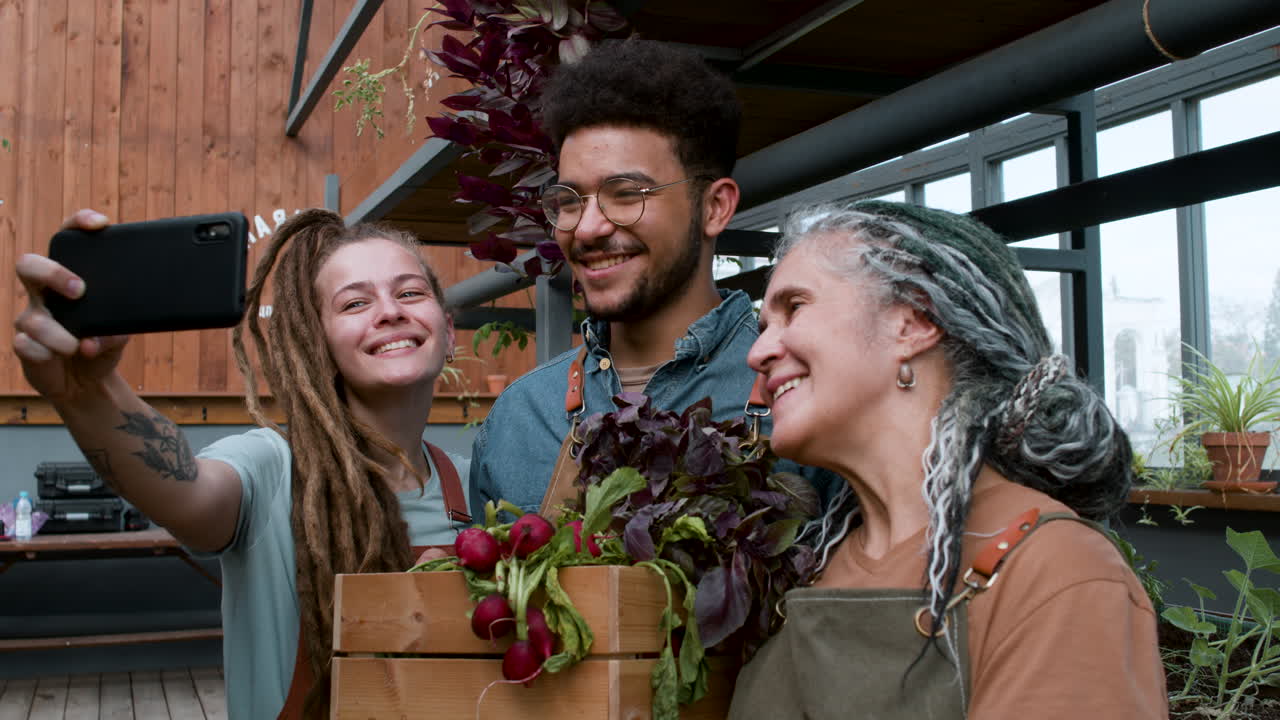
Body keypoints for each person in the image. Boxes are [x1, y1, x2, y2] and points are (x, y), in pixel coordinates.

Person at [13, 208, 470, 719]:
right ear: (318, 346)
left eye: (409, 293)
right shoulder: (272, 465)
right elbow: (186, 491)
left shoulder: (477, 483)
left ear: (448, 332)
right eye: (355, 303)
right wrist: (88, 394)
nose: (389, 312)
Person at [729, 200, 1166, 718]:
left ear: (913, 323)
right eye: (762, 326)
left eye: (794, 307)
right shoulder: (813, 567)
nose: (757, 353)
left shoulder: (1058, 574)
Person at [469, 38, 842, 518]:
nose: (587, 228)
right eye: (570, 200)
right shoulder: (520, 417)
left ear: (714, 207)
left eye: (625, 194)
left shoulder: (801, 392)